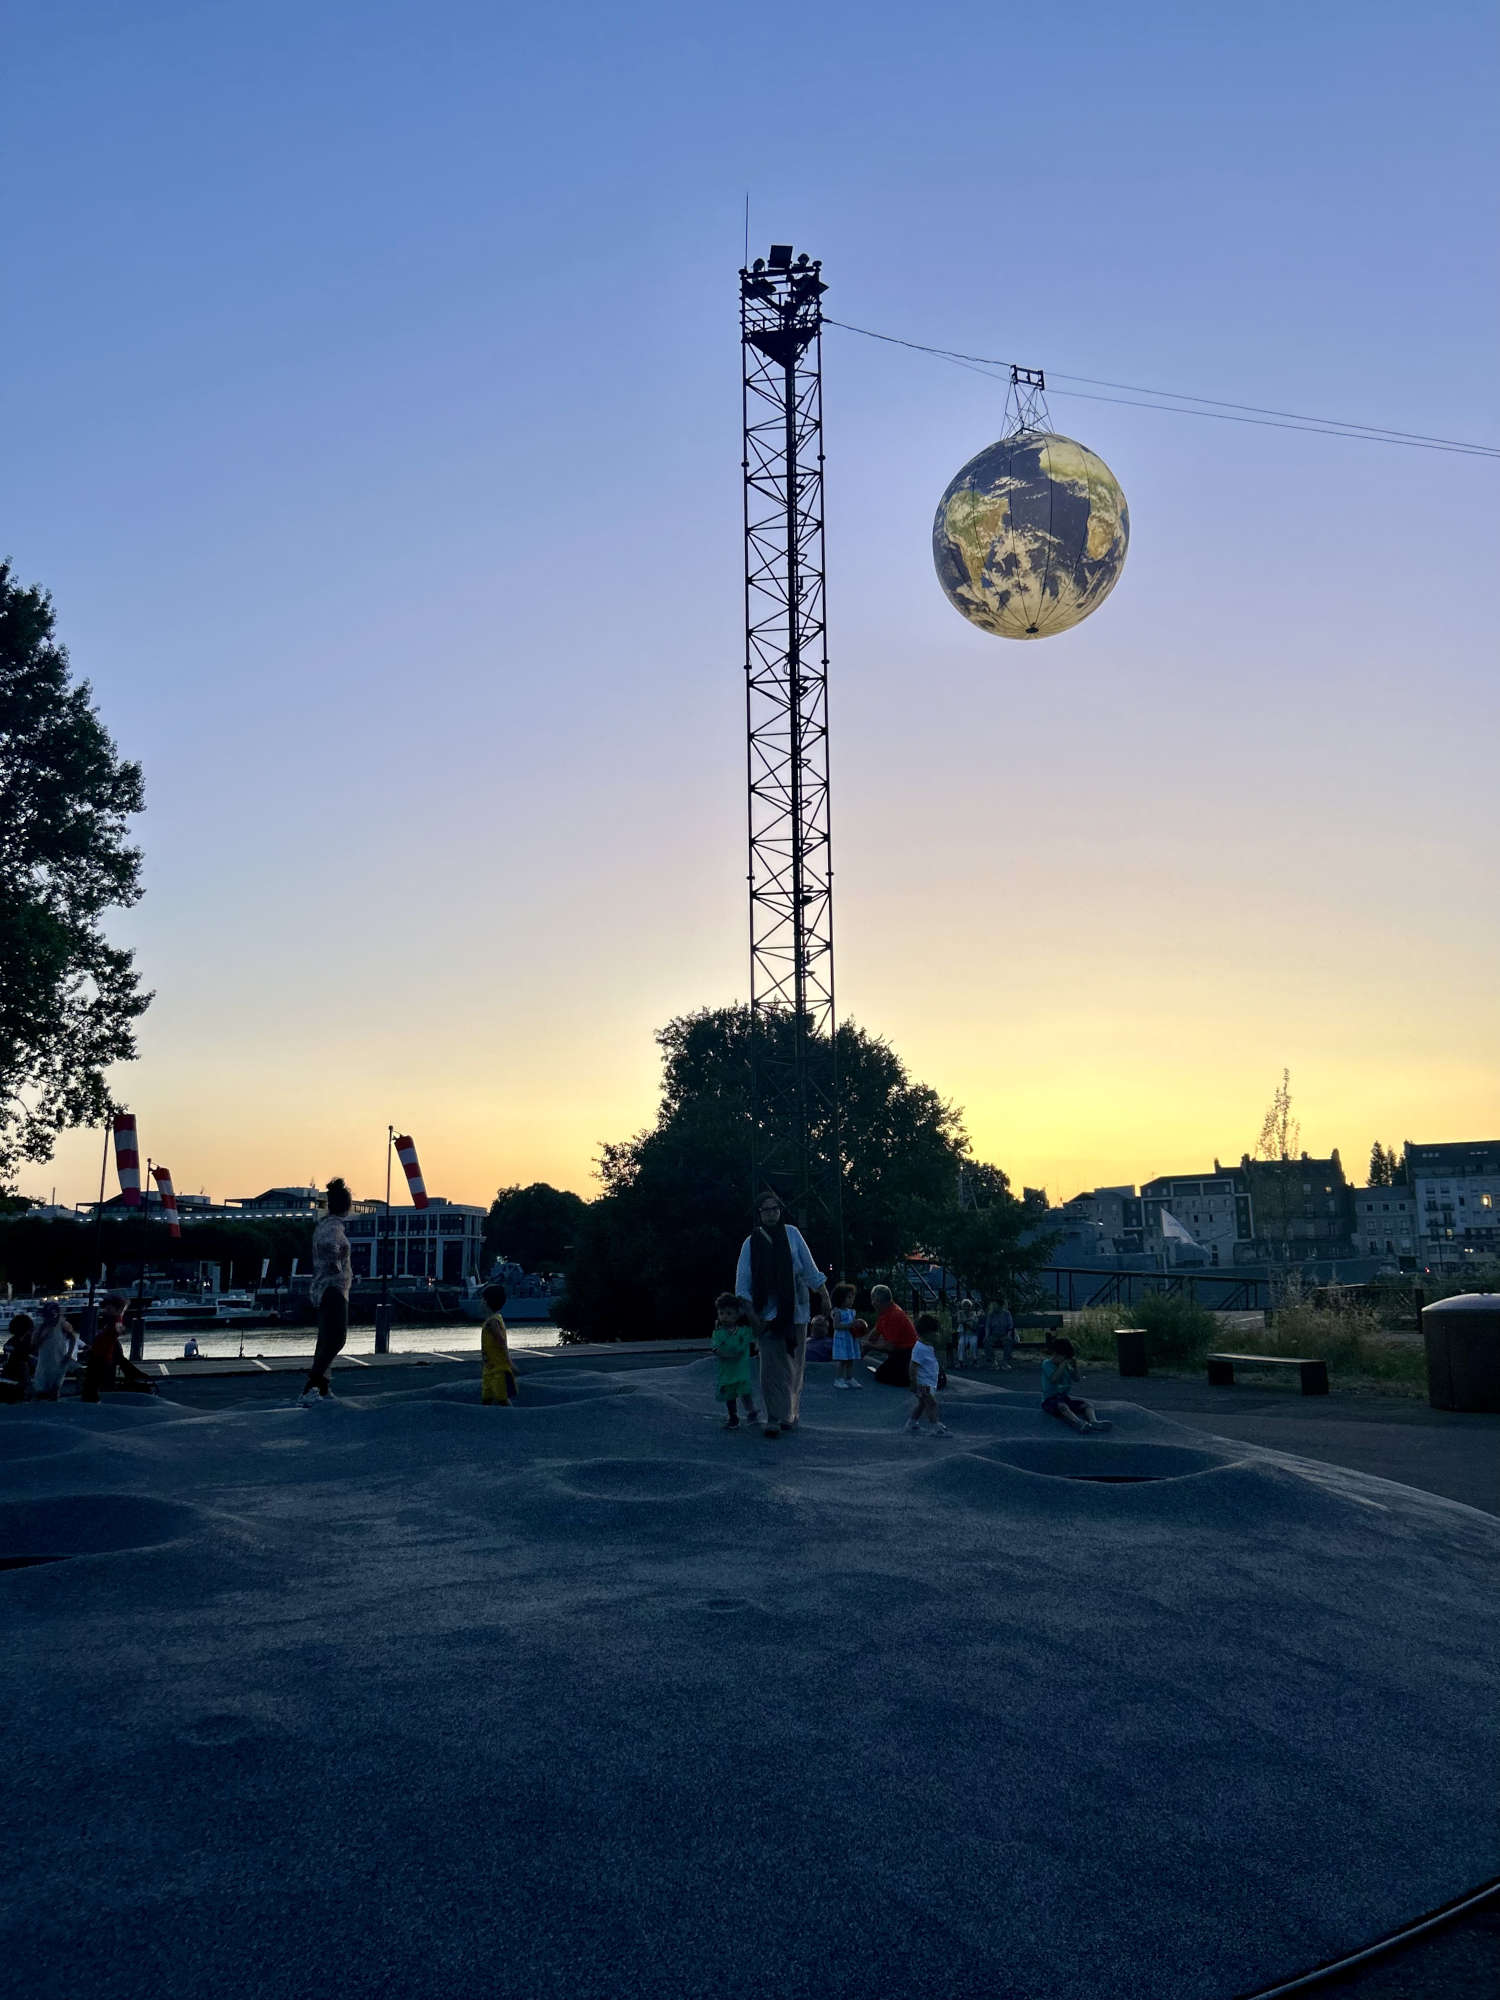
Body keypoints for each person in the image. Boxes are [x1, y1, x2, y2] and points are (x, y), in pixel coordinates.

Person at [734, 1190, 829, 1439]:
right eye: (766, 1210)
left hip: (795, 1309)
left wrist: (824, 1293)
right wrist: (753, 1316)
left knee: (793, 1367)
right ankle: (773, 1417)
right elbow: (742, 1284)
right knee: (771, 1369)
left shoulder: (793, 1235)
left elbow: (809, 1269)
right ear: (759, 1213)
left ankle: (790, 1413)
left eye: (775, 1209)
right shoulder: (751, 1243)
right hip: (767, 1313)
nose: (771, 1214)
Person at [299, 1177, 354, 1405]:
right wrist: (337, 1264)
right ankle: (311, 1385)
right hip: (333, 1288)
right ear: (346, 1206)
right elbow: (329, 1247)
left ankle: (321, 1388)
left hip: (325, 1288)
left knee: (325, 1339)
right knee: (337, 1338)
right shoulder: (334, 1227)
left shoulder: (325, 1225)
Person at [80, 1293, 155, 1400]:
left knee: (92, 1383)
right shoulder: (114, 1319)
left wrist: (120, 1329)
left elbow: (119, 1328)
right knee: (92, 1383)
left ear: (115, 1309)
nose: (105, 1310)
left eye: (108, 1308)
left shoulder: (115, 1321)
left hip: (101, 1357)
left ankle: (94, 1401)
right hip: (98, 1355)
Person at [711, 1293, 762, 1430]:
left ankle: (751, 1412)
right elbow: (715, 1349)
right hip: (727, 1372)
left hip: (741, 1371)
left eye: (729, 1313)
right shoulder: (718, 1333)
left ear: (737, 1315)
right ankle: (733, 1417)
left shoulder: (744, 1331)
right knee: (730, 1397)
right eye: (722, 1313)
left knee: (745, 1393)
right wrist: (727, 1355)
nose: (725, 1317)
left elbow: (757, 1334)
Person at [1040, 1336, 1111, 1433]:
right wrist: (1062, 1365)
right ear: (1056, 1354)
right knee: (1062, 1407)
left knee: (1087, 1405)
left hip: (1064, 1398)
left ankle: (1094, 1421)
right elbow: (1054, 1379)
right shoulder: (1046, 1364)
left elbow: (1076, 1379)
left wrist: (1074, 1367)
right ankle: (1078, 1423)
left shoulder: (1066, 1366)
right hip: (1049, 1400)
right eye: (1064, 1358)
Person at [905, 1313, 951, 1437]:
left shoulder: (927, 1346)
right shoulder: (919, 1348)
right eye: (935, 1332)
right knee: (932, 1404)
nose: (937, 1335)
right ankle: (936, 1427)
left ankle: (911, 1423)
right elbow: (913, 1366)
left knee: (922, 1404)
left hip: (928, 1381)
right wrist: (913, 1382)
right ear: (927, 1333)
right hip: (923, 1383)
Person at [865, 1284, 918, 1386]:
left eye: (875, 1301)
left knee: (885, 1376)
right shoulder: (884, 1313)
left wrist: (870, 1346)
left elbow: (889, 1347)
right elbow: (873, 1335)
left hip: (908, 1353)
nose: (873, 1304)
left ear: (884, 1302)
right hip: (901, 1352)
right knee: (882, 1373)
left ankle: (914, 1377)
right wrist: (860, 1354)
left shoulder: (895, 1315)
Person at [480, 1282, 518, 1406]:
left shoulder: (493, 1322)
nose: (481, 1302)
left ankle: (515, 1417)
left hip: (498, 1367)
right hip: (490, 1367)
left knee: (502, 1397)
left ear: (486, 1302)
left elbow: (501, 1342)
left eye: (482, 1299)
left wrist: (509, 1362)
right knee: (487, 1396)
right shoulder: (495, 1319)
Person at [30, 1301, 74, 1401]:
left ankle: (54, 1403)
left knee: (56, 1386)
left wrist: (69, 1353)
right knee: (41, 1388)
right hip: (44, 1361)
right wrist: (44, 1334)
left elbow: (72, 1338)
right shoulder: (40, 1326)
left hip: (59, 1359)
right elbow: (34, 1344)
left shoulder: (63, 1324)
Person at [830, 1282, 863, 1390]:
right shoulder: (837, 1312)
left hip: (850, 1338)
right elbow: (836, 1325)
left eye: (852, 1297)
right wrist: (850, 1325)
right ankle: (838, 1379)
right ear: (840, 1298)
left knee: (850, 1359)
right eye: (849, 1297)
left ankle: (849, 1378)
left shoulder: (851, 1312)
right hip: (842, 1339)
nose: (851, 1300)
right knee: (842, 1360)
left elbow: (853, 1324)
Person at [1, 1313, 35, 1404]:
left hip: (6, 1376)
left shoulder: (10, 1342)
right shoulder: (24, 1343)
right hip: (17, 1382)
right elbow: (25, 1363)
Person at [983, 1295, 1016, 1371]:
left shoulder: (1007, 1314)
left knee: (1008, 1341)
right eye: (993, 1305)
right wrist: (986, 1336)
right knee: (986, 1341)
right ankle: (993, 1362)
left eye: (995, 1305)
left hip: (1004, 1334)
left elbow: (1010, 1326)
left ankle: (1005, 1362)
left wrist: (1008, 1335)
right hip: (993, 1334)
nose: (994, 1306)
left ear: (1000, 1305)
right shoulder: (991, 1314)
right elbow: (987, 1326)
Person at [956, 1299, 979, 1366]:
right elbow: (959, 1321)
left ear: (970, 1307)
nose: (966, 1308)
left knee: (973, 1343)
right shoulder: (960, 1313)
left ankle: (974, 1360)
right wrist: (969, 1320)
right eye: (964, 1306)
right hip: (963, 1334)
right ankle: (960, 1361)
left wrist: (965, 1321)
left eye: (968, 1306)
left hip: (972, 1334)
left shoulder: (974, 1313)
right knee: (961, 1343)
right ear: (962, 1306)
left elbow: (975, 1323)